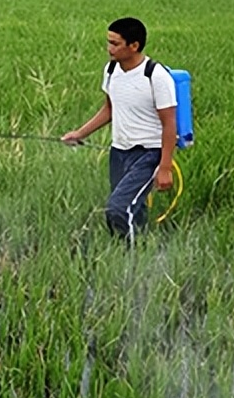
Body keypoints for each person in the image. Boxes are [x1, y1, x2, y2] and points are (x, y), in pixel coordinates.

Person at [62, 17, 176, 240]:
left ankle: (129, 262)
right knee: (133, 208)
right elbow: (109, 109)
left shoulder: (155, 76)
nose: (109, 49)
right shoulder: (112, 70)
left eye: (115, 44)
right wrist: (80, 133)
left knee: (118, 208)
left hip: (148, 154)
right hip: (119, 152)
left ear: (134, 46)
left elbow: (169, 124)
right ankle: (143, 247)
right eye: (108, 42)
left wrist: (165, 167)